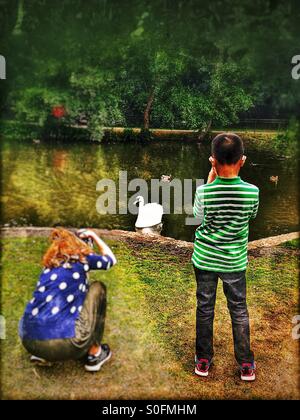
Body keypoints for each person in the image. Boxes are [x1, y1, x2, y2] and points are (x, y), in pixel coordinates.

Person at [192, 133, 259, 381]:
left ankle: (203, 360)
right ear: (242, 160)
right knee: (239, 310)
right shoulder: (252, 192)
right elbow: (251, 216)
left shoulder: (205, 193)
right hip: (234, 262)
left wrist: (210, 182)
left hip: (205, 260)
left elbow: (197, 217)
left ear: (213, 161)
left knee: (205, 308)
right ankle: (245, 364)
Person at [19, 228, 117, 372]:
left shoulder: (48, 267)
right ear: (80, 246)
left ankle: (42, 355)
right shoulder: (82, 259)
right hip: (66, 345)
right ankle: (95, 354)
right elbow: (111, 260)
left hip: (29, 341)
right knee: (97, 288)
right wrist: (94, 236)